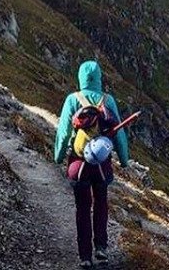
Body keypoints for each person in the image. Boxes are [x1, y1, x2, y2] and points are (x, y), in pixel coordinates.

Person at [54, 60, 129, 268]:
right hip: (101, 166)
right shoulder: (108, 100)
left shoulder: (72, 100)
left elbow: (63, 132)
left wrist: (58, 157)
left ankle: (85, 256)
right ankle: (101, 248)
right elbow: (119, 133)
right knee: (101, 204)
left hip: (78, 165)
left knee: (83, 208)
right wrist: (123, 160)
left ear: (80, 77)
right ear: (99, 78)